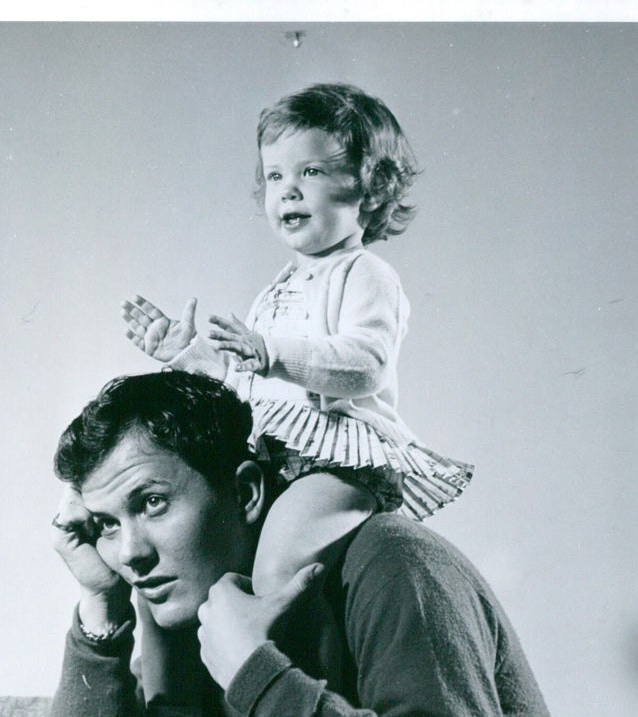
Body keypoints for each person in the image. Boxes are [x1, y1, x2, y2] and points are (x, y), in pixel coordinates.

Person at [48, 370, 563, 717]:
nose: (130, 554)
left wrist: (256, 672)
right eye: (108, 525)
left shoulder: (394, 561)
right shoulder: (196, 604)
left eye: (152, 503)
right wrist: (101, 605)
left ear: (247, 493)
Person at [120, 83, 474, 614]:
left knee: (276, 572)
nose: (288, 191)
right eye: (275, 176)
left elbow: (366, 365)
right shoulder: (277, 289)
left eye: (310, 172)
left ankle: (277, 679)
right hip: (270, 458)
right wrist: (186, 356)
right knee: (205, 571)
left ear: (371, 188)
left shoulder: (366, 273)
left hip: (335, 461)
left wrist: (270, 353)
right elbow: (244, 387)